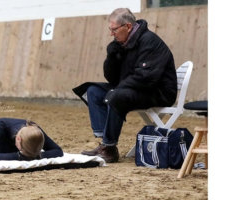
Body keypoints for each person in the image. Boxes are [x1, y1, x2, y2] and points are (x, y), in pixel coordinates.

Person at [72, 8, 177, 163]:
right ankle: (104, 143)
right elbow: (112, 78)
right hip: (135, 88)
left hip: (157, 92)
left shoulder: (150, 42)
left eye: (114, 29)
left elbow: (146, 77)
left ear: (127, 27)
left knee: (116, 96)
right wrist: (111, 57)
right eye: (110, 29)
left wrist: (118, 89)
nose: (111, 34)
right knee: (93, 91)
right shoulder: (124, 42)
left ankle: (108, 148)